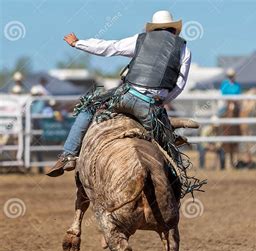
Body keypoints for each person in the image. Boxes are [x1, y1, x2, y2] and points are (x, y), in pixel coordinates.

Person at [46, 10, 191, 177]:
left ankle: (68, 155)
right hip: (150, 107)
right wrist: (161, 102)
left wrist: (78, 43)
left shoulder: (141, 39)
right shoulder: (183, 49)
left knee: (88, 105)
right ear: (174, 29)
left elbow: (110, 47)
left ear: (153, 29)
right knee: (169, 149)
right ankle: (175, 178)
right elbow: (180, 84)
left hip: (124, 96)